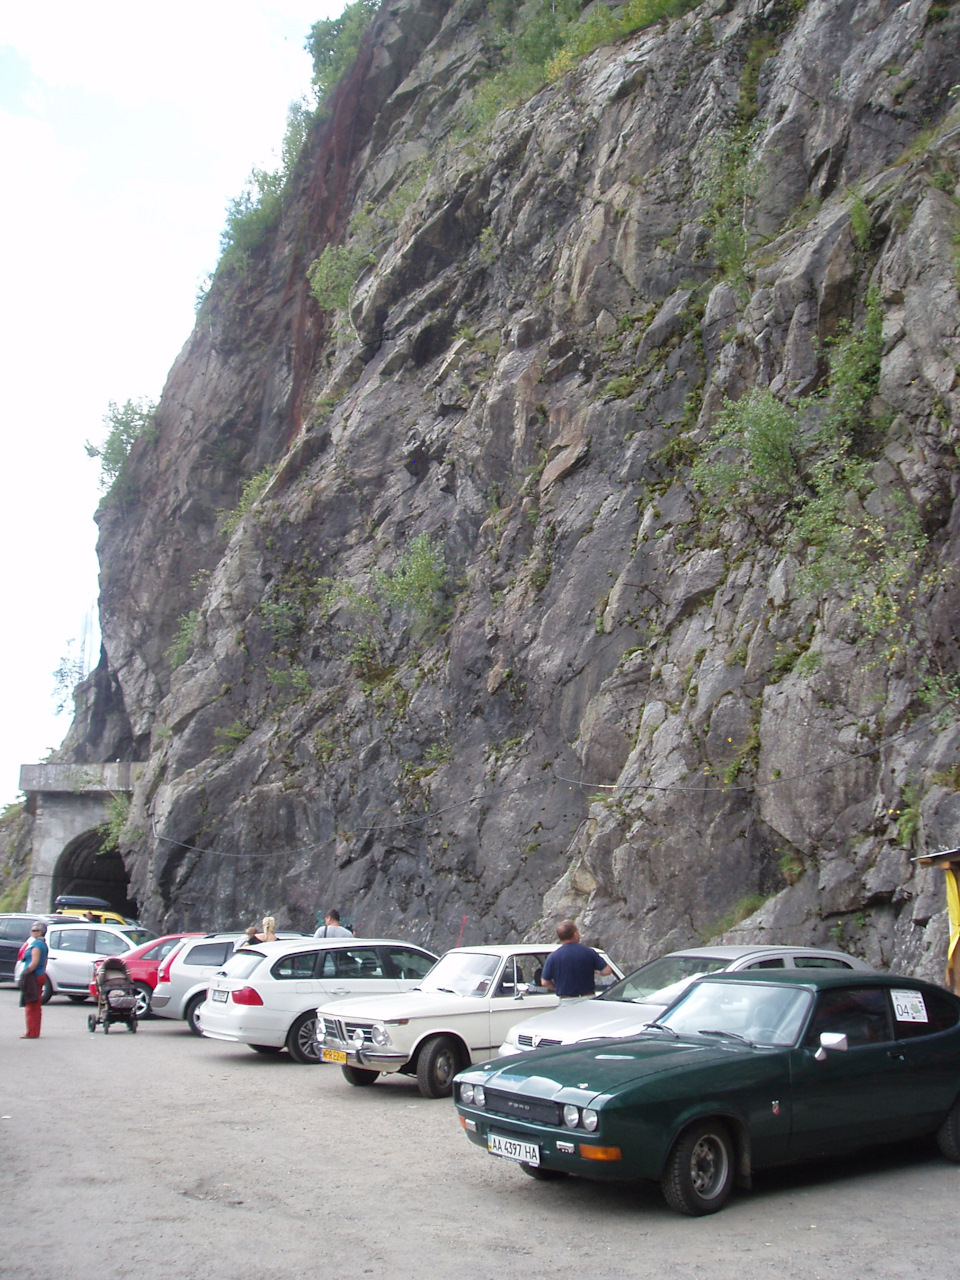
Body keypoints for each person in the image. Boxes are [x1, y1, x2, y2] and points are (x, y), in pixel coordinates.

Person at [540, 919, 611, 1002]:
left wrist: (556, 987)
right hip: (588, 999)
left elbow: (544, 982)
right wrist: (595, 971)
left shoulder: (552, 957)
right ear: (575, 935)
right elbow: (607, 971)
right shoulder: (589, 952)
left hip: (566, 1000)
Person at [19, 921, 49, 1038]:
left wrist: (26, 973)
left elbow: (34, 962)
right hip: (40, 974)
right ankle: (35, 1031)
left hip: (33, 976)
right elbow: (45, 961)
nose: (31, 932)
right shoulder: (44, 944)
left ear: (40, 932)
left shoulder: (36, 945)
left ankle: (31, 1032)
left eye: (34, 930)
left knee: (31, 1004)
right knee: (36, 1003)